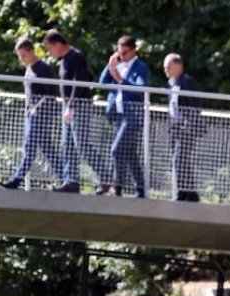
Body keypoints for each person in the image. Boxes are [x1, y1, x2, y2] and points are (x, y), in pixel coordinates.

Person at [42, 29, 112, 194]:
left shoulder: (76, 57)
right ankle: (71, 181)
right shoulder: (64, 60)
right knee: (68, 145)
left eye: (49, 48)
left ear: (58, 44)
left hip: (78, 106)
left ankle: (106, 177)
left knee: (81, 144)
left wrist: (71, 107)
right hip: (68, 107)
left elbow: (79, 82)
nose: (49, 52)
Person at [0, 37, 62, 190]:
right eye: (19, 57)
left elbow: (51, 93)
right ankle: (66, 177)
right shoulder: (29, 68)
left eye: (24, 56)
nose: (21, 59)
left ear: (31, 51)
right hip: (30, 114)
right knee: (48, 149)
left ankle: (16, 180)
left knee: (29, 147)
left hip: (40, 115)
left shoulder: (43, 68)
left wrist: (37, 108)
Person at [98, 36, 150, 198]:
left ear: (133, 51)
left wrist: (121, 79)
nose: (121, 56)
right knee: (129, 153)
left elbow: (141, 89)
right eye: (119, 53)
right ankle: (140, 189)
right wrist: (110, 65)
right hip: (118, 115)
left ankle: (118, 188)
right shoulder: (117, 65)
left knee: (116, 150)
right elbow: (102, 83)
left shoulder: (140, 67)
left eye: (124, 53)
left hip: (132, 116)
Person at [163, 53, 203, 202]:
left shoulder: (187, 82)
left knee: (179, 159)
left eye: (169, 67)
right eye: (165, 67)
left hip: (186, 127)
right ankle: (191, 194)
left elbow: (195, 103)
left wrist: (190, 124)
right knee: (182, 160)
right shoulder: (171, 84)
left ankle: (181, 193)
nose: (166, 70)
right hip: (175, 128)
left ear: (178, 66)